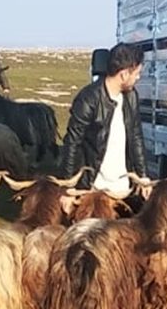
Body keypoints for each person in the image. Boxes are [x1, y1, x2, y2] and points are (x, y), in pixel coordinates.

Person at [59, 42, 149, 197]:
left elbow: (136, 137)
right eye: (137, 73)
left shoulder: (131, 97)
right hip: (93, 189)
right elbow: (72, 143)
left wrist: (143, 178)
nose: (138, 78)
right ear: (124, 74)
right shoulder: (88, 99)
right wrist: (68, 188)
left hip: (123, 190)